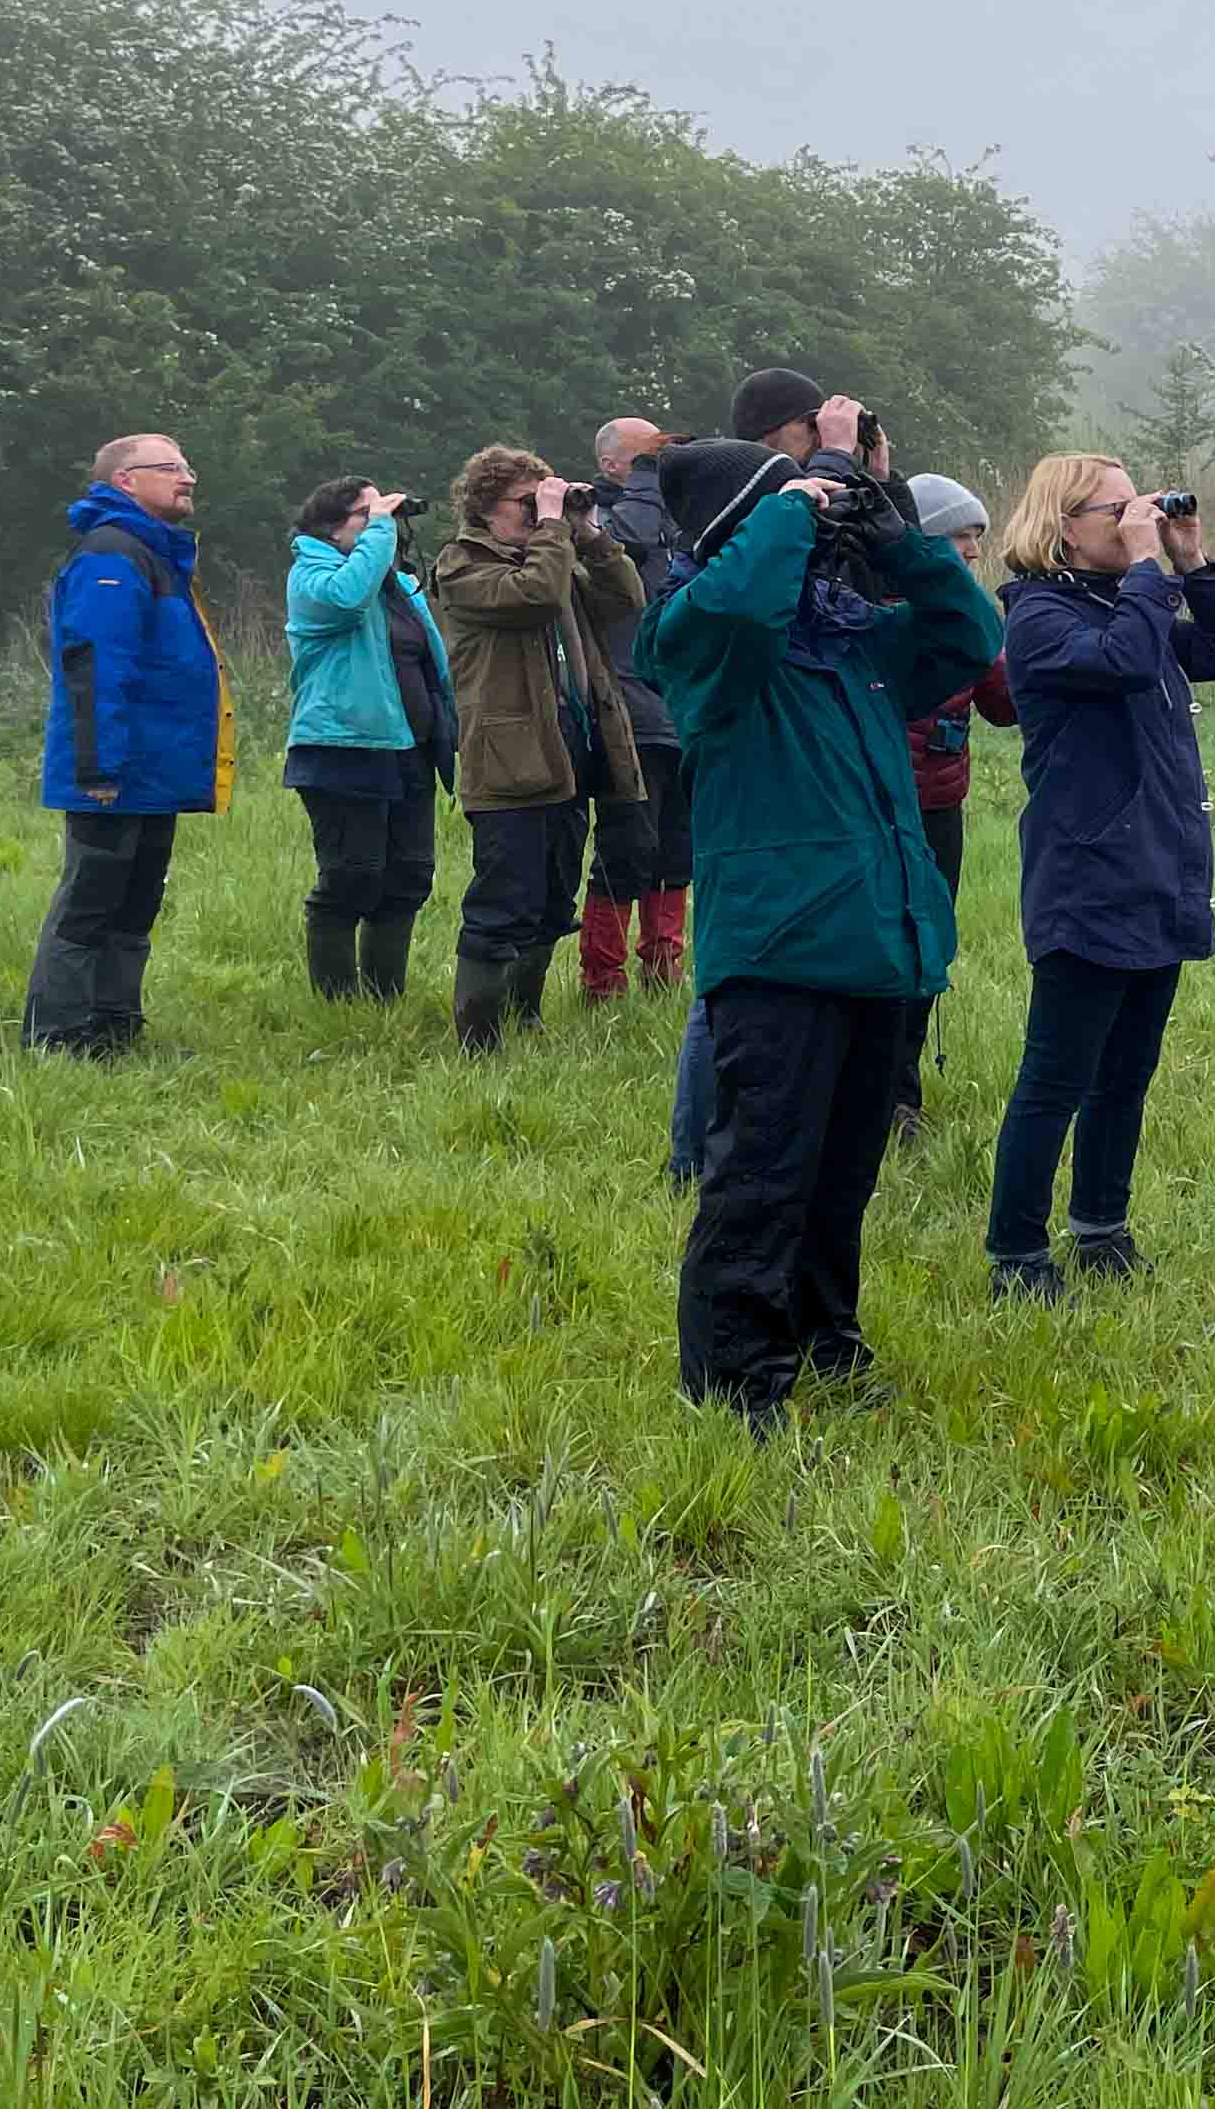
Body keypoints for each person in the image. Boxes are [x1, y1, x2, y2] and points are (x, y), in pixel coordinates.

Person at [645, 385, 1003, 1425]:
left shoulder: (849, 641)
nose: (812, 520)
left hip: (877, 940)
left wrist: (886, 520)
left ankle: (826, 1340)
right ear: (742, 529)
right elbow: (737, 601)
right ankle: (734, 1379)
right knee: (762, 1176)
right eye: (786, 507)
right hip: (782, 950)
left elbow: (969, 630)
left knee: (842, 1178)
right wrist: (795, 500)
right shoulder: (700, 639)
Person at [981, 451, 1215, 1298]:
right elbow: (1125, 663)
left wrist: (1191, 564)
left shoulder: (1121, 604)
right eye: (1116, 510)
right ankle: (1016, 1256)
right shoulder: (1037, 617)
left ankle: (1101, 1228)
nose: (1135, 518)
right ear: (1064, 526)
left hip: (1158, 866)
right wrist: (1146, 572)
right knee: (1056, 1076)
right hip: (1088, 874)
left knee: (1127, 1071)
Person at [425, 443, 649, 1051]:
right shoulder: (461, 564)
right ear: (487, 507)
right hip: (508, 761)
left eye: (542, 498)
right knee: (504, 901)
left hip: (570, 751)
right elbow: (530, 598)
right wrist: (553, 529)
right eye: (527, 502)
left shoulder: (554, 558)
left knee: (553, 898)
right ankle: (480, 1039)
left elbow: (629, 598)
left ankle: (525, 1015)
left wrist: (588, 532)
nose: (538, 511)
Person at [25, 433, 230, 1056]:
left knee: (135, 906)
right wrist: (99, 767)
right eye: (169, 467)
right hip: (114, 771)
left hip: (153, 771)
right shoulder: (111, 557)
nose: (187, 477)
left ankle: (115, 1032)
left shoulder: (157, 554)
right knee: (89, 907)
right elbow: (96, 669)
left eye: (188, 466)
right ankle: (59, 1039)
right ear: (125, 482)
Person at [281, 475, 456, 1003]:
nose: (384, 523)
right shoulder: (310, 575)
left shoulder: (398, 585)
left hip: (409, 749)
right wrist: (381, 531)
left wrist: (449, 725)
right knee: (352, 875)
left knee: (408, 876)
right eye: (366, 513)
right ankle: (336, 1003)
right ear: (332, 527)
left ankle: (385, 999)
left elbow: (432, 660)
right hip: (342, 748)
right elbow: (346, 599)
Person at [892, 472, 1021, 1138]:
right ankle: (877, 1096)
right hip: (884, 810)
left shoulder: (968, 612)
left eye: (977, 537)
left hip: (943, 804)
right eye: (960, 536)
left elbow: (1006, 707)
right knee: (885, 949)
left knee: (928, 946)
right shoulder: (885, 607)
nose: (973, 551)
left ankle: (901, 1098)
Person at [578, 415, 693, 1001]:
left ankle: (664, 968)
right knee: (628, 841)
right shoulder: (595, 516)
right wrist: (649, 480)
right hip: (626, 705)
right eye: (646, 454)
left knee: (677, 844)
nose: (659, 462)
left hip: (678, 701)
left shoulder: (672, 512)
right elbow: (631, 546)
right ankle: (603, 976)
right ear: (612, 465)